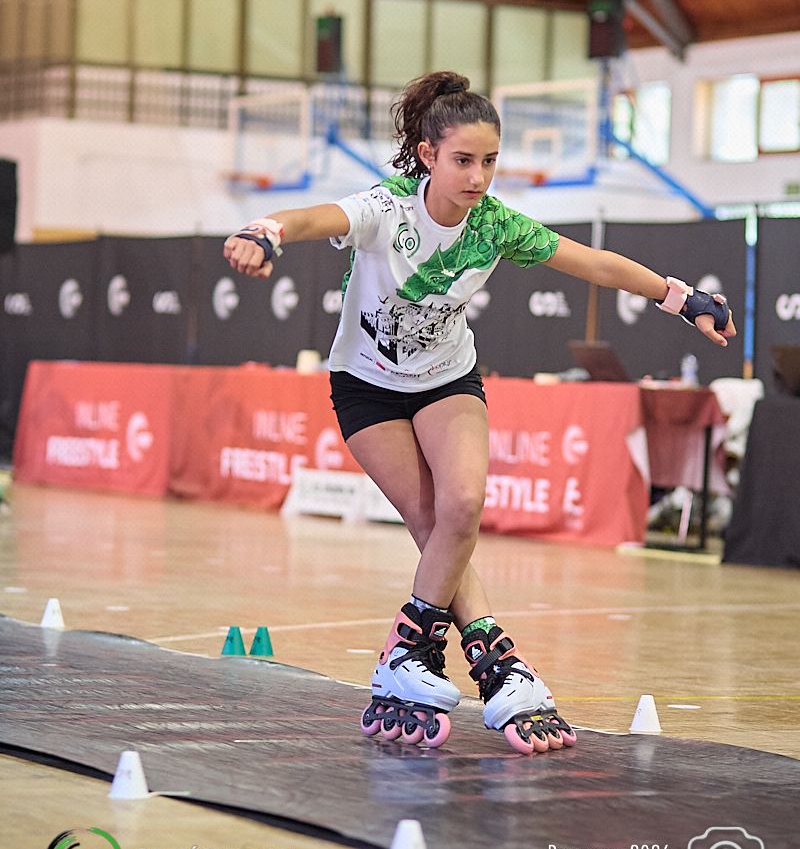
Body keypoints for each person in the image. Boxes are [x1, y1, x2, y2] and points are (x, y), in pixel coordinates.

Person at [223, 71, 736, 755]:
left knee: (463, 506)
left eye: (490, 161)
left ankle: (408, 654)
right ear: (429, 155)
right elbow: (315, 219)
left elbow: (597, 265)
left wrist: (682, 297)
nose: (478, 177)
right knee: (432, 519)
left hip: (447, 379)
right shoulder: (388, 209)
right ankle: (493, 659)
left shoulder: (494, 225)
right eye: (463, 160)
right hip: (367, 386)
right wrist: (266, 230)